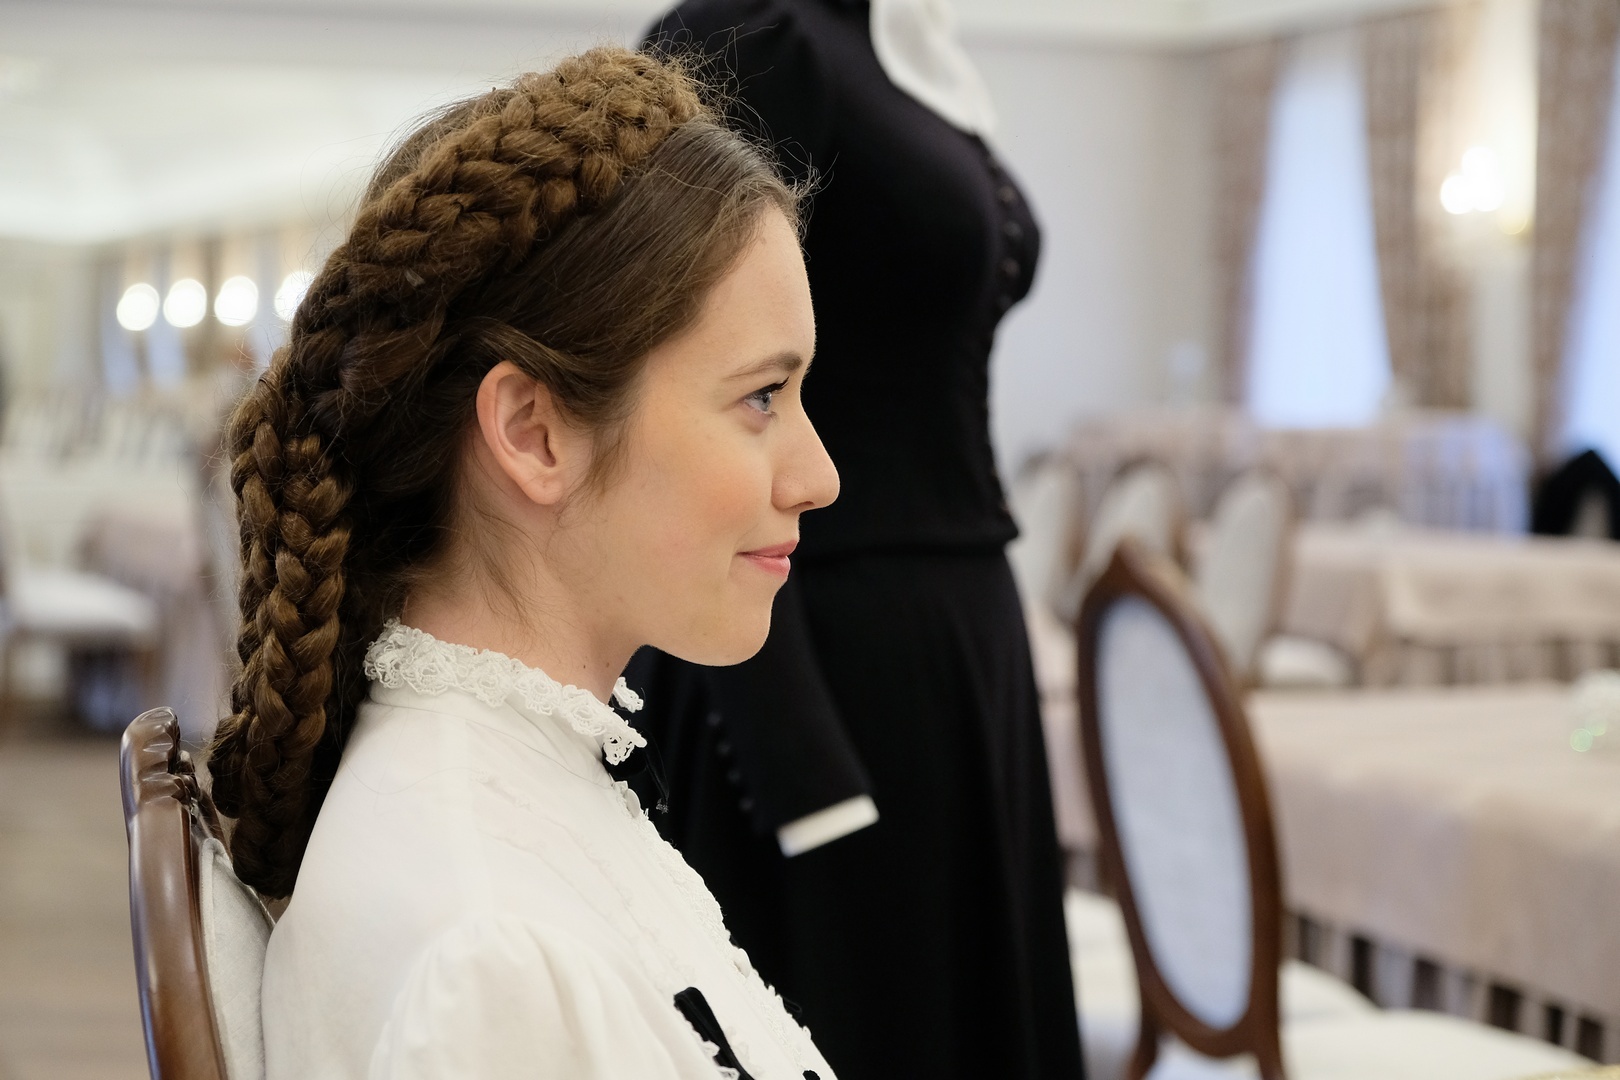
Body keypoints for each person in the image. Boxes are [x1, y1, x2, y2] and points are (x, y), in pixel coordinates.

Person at [205, 46, 842, 1079]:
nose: (820, 478)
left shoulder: (524, 794)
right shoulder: (492, 957)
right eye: (761, 397)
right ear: (533, 434)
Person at [628, 3, 1086, 1079]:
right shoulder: (759, 36)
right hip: (825, 646)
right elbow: (678, 381)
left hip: (965, 641)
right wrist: (792, 757)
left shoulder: (910, 52)